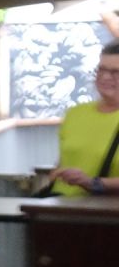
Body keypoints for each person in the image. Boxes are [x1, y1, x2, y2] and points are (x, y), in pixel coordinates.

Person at [50, 40, 119, 196]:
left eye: (115, 72)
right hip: (59, 209)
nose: (105, 77)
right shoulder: (75, 113)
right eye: (101, 70)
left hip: (106, 215)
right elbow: (62, 163)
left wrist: (93, 183)